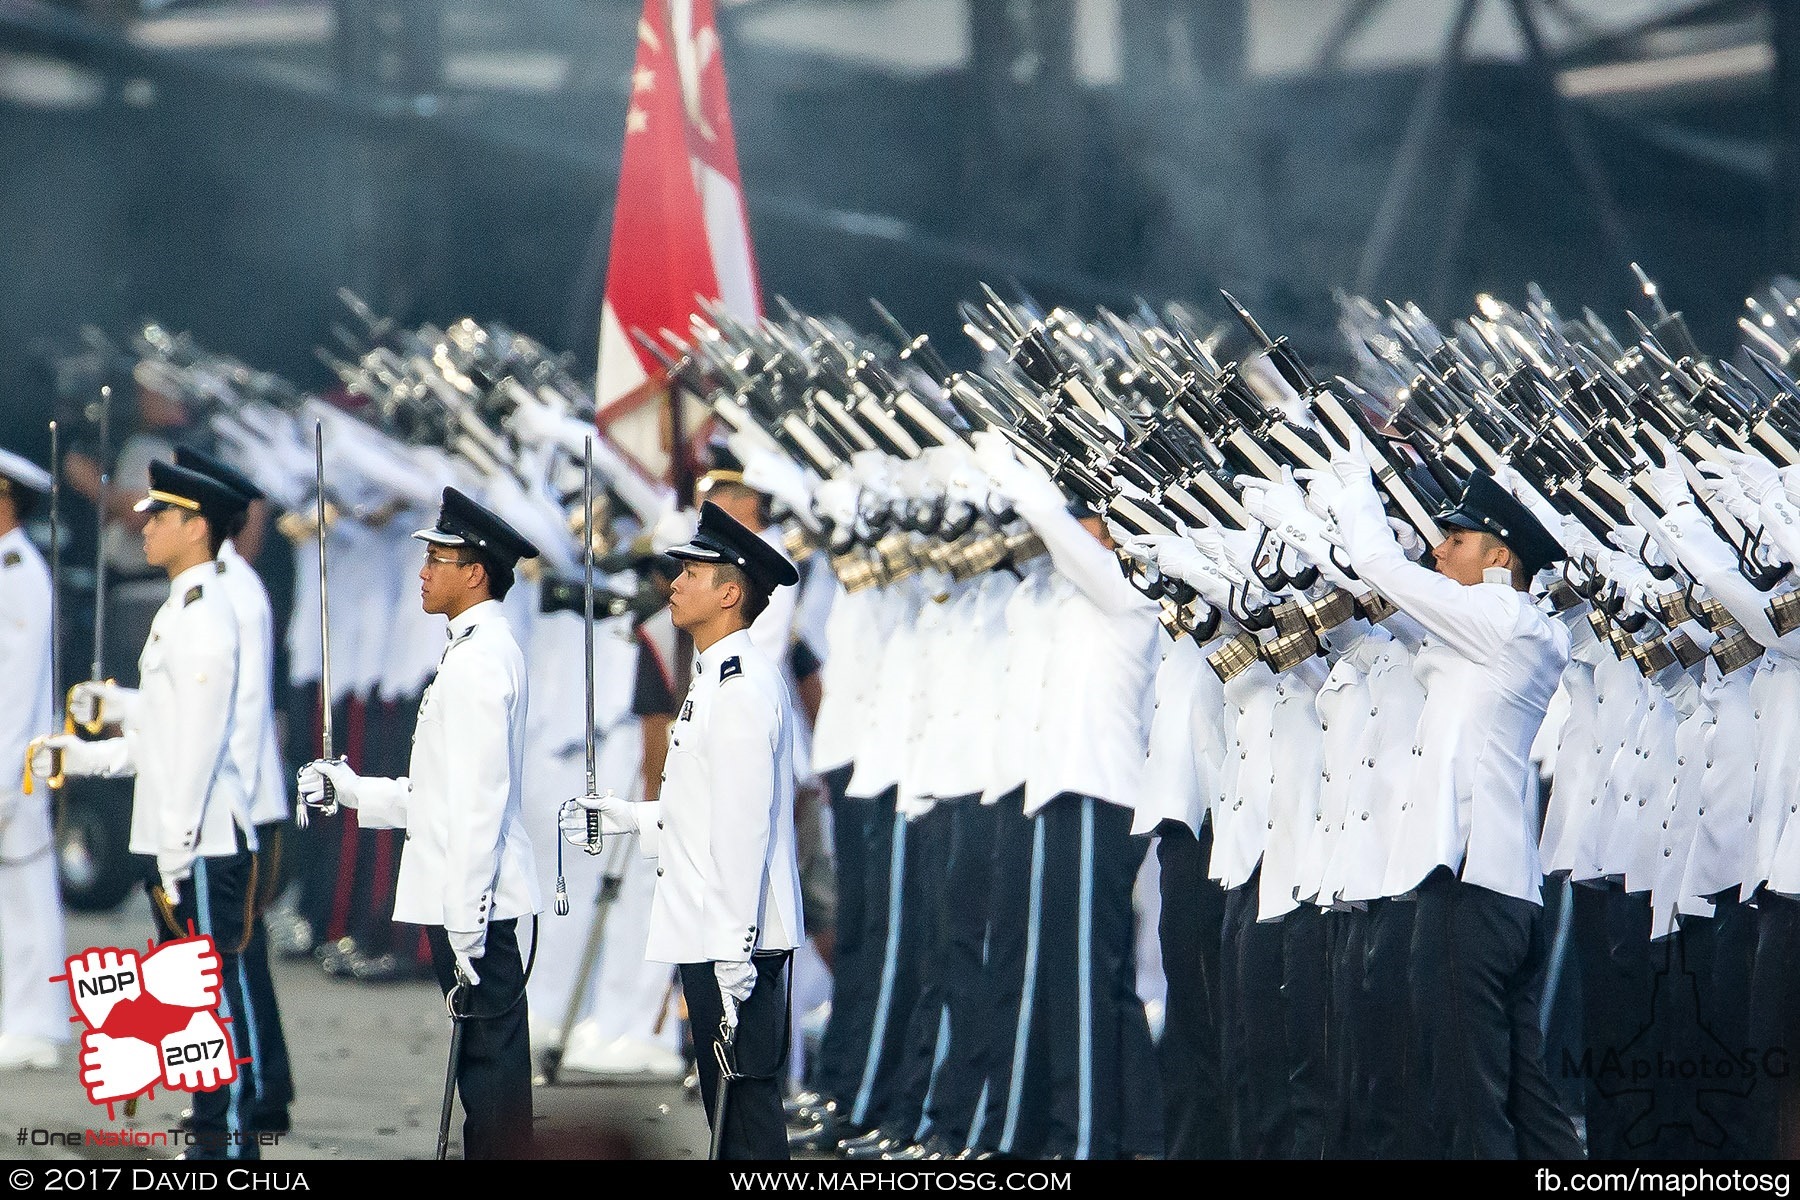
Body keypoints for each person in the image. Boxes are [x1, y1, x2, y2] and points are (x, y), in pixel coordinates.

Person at [1310, 448, 1583, 1159]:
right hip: (1492, 887)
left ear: (1499, 555)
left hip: (1468, 888)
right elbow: (1401, 620)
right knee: (1521, 1090)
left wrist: (1355, 497)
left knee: (1465, 1095)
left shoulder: (1504, 620)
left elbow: (1389, 573)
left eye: (1455, 540)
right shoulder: (1496, 630)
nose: (1439, 548)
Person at [295, 487, 541, 1160]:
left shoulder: (483, 659)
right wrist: (350, 792)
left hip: (473, 899)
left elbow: (481, 798)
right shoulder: (471, 650)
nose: (424, 572)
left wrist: (465, 913)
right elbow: (439, 792)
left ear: (476, 571)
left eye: (439, 559)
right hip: (464, 893)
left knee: (490, 1072)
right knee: (482, 1070)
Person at [34, 460, 263, 1158]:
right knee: (192, 998)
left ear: (197, 528)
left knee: (208, 997)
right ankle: (210, 1133)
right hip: (182, 835)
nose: (147, 527)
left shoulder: (203, 620)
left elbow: (192, 750)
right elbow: (159, 735)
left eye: (161, 516)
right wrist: (90, 746)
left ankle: (223, 1142)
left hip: (197, 838)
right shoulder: (180, 609)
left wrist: (174, 850)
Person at [564, 500, 803, 1160]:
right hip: (715, 922)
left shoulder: (741, 685)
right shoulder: (715, 676)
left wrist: (733, 948)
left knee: (747, 1121)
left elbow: (743, 830)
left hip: (736, 931)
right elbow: (702, 812)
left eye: (691, 573)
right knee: (731, 1118)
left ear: (730, 593)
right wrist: (629, 817)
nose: (673, 583)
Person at [0, 448, 70, 1072]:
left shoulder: (19, 571)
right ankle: (16, 1016)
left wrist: (4, 781)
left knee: (26, 890)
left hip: (13, 764)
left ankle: (38, 1021)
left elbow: (18, 689)